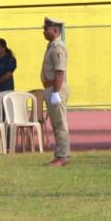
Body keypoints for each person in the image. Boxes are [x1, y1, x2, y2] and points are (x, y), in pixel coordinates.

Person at [41, 16, 70, 167]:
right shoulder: (52, 46)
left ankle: (63, 156)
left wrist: (56, 93)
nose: (44, 31)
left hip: (56, 88)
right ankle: (59, 154)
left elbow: (60, 72)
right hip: (51, 87)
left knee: (60, 124)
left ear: (55, 30)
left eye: (46, 29)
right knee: (56, 124)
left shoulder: (58, 48)